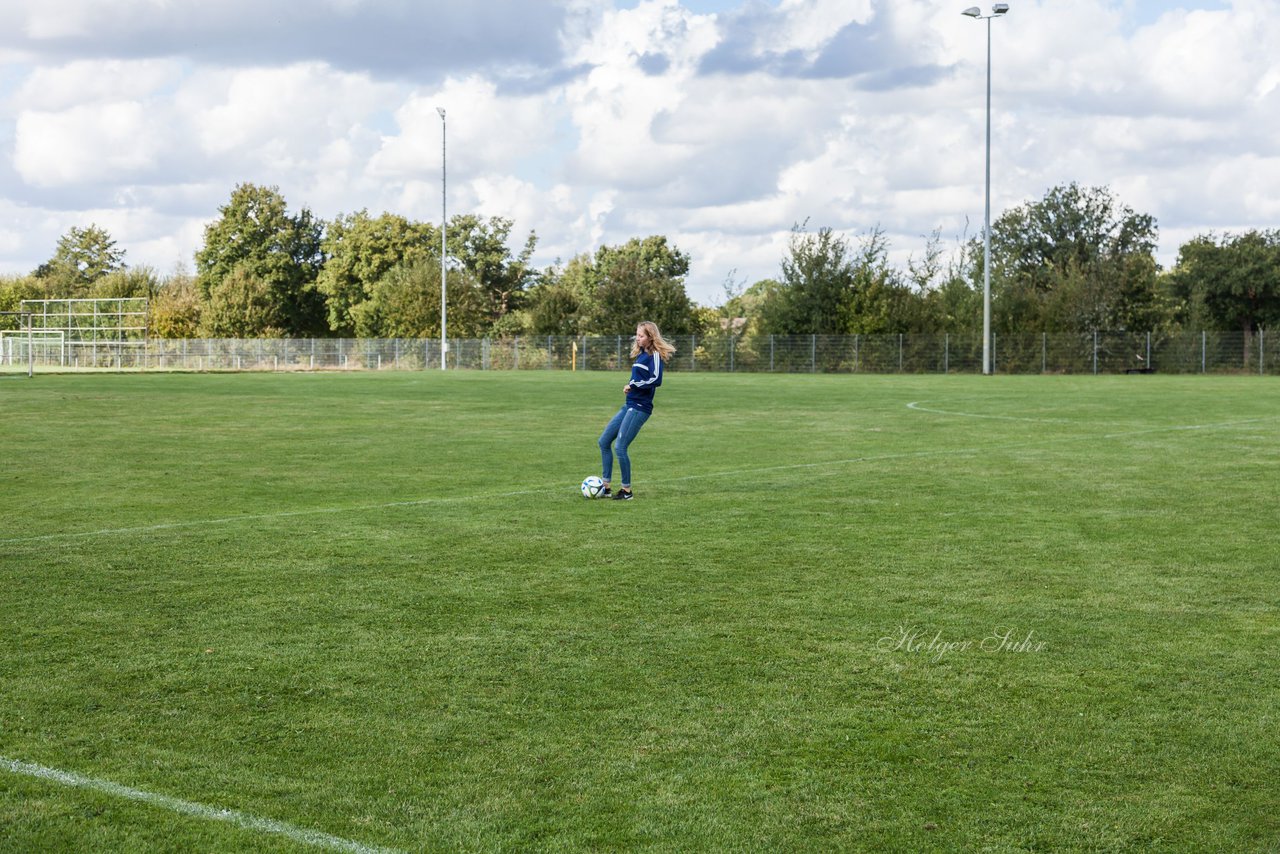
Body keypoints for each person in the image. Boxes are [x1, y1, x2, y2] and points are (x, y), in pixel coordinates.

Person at [597, 321, 676, 501]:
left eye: (641, 336)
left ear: (650, 337)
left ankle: (626, 491)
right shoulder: (640, 354)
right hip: (629, 405)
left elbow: (656, 379)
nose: (638, 338)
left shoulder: (654, 355)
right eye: (637, 335)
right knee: (603, 442)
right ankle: (606, 487)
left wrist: (633, 385)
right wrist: (632, 386)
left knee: (620, 447)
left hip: (640, 407)